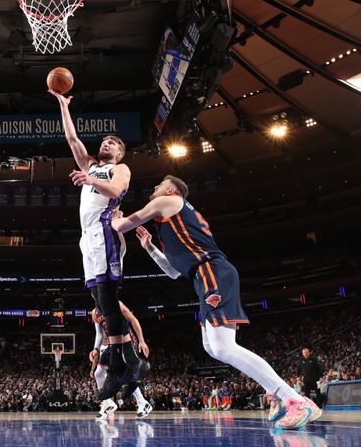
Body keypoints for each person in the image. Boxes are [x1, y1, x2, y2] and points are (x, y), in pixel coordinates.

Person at [111, 176, 320, 430]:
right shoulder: (172, 221)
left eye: (159, 185)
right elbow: (174, 272)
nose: (154, 189)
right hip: (204, 276)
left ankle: (294, 399)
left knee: (223, 347)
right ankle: (277, 392)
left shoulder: (170, 200)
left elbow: (122, 225)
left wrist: (112, 214)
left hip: (212, 272)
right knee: (211, 347)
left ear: (172, 190)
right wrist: (150, 248)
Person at [50, 90, 149, 401]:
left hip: (105, 231)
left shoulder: (118, 169)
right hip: (87, 237)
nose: (107, 144)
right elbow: (72, 139)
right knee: (98, 297)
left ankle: (123, 360)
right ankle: (131, 362)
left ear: (119, 154)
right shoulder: (91, 165)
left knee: (108, 295)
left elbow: (117, 189)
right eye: (105, 141)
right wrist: (64, 106)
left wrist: (90, 181)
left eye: (114, 144)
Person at [90, 300, 152, 419]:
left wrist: (142, 341)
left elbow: (133, 319)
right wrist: (95, 348)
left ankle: (142, 403)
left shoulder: (116, 304)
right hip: (113, 344)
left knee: (126, 374)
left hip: (127, 341)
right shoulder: (94, 313)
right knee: (98, 373)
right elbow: (99, 334)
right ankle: (108, 403)